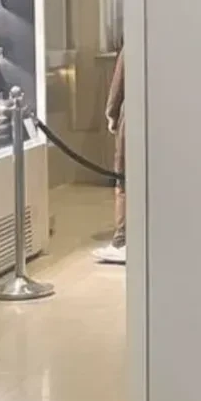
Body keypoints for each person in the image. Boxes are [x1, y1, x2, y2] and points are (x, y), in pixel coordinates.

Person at [93, 47, 126, 264]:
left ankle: (122, 241)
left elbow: (118, 85)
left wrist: (111, 114)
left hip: (132, 120)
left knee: (124, 182)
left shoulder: (133, 46)